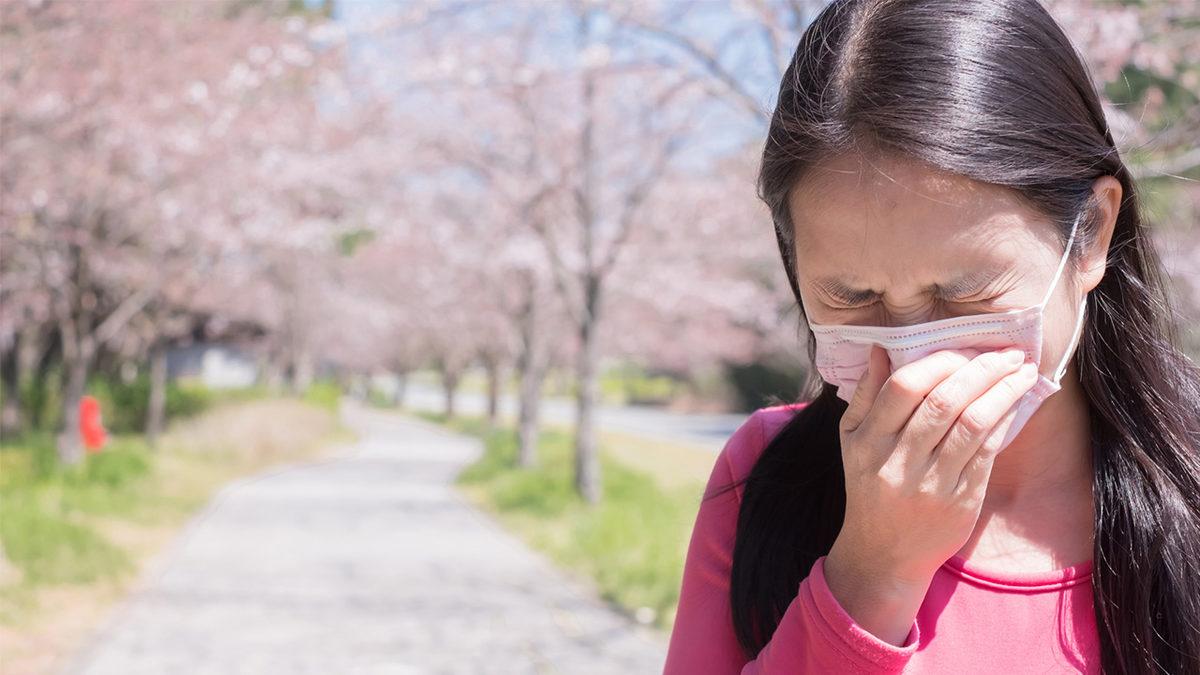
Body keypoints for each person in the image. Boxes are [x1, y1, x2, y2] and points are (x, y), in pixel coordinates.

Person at [663, 1, 1200, 673]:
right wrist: (872, 573)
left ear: (1089, 232)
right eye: (853, 295)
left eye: (962, 292)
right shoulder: (763, 478)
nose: (916, 356)